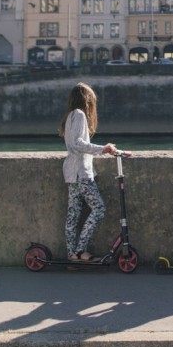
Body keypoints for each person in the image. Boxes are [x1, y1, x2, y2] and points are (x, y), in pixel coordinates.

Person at [59, 82, 129, 262]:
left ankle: (72, 254)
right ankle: (80, 251)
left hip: (71, 173)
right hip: (81, 173)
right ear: (87, 100)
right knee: (98, 209)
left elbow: (74, 143)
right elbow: (78, 144)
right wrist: (104, 149)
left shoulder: (70, 116)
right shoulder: (79, 115)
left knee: (73, 215)